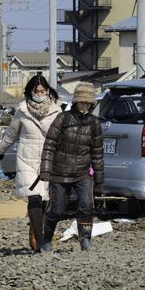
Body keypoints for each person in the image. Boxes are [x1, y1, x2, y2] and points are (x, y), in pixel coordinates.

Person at [0, 75, 61, 253]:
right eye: (36, 91)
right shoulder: (22, 110)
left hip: (48, 160)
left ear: (48, 91)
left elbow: (62, 136)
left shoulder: (56, 111)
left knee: (45, 200)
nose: (40, 94)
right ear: (30, 92)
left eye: (43, 91)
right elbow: (11, 135)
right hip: (26, 159)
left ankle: (35, 228)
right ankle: (40, 239)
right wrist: (0, 151)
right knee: (33, 197)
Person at [40, 81, 104, 252]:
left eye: (88, 103)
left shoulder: (94, 123)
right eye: (82, 102)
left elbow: (97, 152)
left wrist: (99, 178)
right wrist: (45, 169)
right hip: (59, 173)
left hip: (83, 173)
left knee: (86, 206)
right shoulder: (62, 118)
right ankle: (46, 239)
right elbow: (49, 145)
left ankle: (85, 239)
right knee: (57, 209)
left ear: (92, 104)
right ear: (76, 102)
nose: (84, 105)